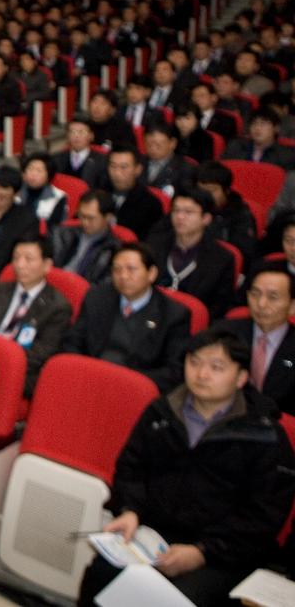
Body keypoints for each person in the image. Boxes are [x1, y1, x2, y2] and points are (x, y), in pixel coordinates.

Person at [76, 328, 295, 607]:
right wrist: (130, 510)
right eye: (195, 363)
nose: (202, 375)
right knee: (101, 575)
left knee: (176, 598)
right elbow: (131, 467)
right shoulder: (162, 412)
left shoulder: (264, 435)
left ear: (241, 378)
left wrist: (202, 552)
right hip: (152, 534)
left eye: (216, 367)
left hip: (221, 552)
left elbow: (264, 515)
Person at [63, 242, 192, 392]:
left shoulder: (174, 315)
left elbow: (173, 372)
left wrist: (125, 383)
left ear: (151, 273)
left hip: (134, 390)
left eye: (131, 269)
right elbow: (72, 341)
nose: (123, 276)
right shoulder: (97, 298)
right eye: (117, 270)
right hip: (88, 380)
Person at [0, 235, 72, 397]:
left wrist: (0, 361)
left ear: (47, 265)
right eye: (16, 258)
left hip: (20, 372)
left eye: (28, 259)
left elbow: (40, 354)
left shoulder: (57, 307)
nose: (19, 264)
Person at [147, 189, 237, 318]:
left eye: (188, 212)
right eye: (176, 210)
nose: (180, 217)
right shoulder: (154, 244)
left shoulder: (222, 258)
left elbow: (219, 309)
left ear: (206, 218)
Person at [219, 265, 295, 414]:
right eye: (255, 294)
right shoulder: (224, 332)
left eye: (273, 297)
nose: (261, 304)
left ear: (292, 305)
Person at [101, 146, 163, 238]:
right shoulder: (99, 192)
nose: (117, 173)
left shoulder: (151, 204)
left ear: (138, 169)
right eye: (113, 166)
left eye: (123, 167)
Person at [222, 109, 295, 169]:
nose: (257, 128)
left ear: (276, 128)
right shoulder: (235, 146)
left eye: (263, 124)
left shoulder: (286, 155)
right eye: (254, 123)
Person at [140, 122, 196, 197]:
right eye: (149, 144)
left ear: (172, 143)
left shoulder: (185, 169)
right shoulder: (138, 162)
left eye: (158, 145)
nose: (153, 149)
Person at [50, 120, 106, 189]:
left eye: (81, 132)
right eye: (72, 132)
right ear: (67, 136)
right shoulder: (56, 159)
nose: (76, 136)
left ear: (91, 136)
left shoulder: (102, 161)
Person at [18, 152, 69, 227]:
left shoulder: (59, 197)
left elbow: (59, 227)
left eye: (39, 171)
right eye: (30, 169)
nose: (33, 174)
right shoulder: (15, 191)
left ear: (48, 175)